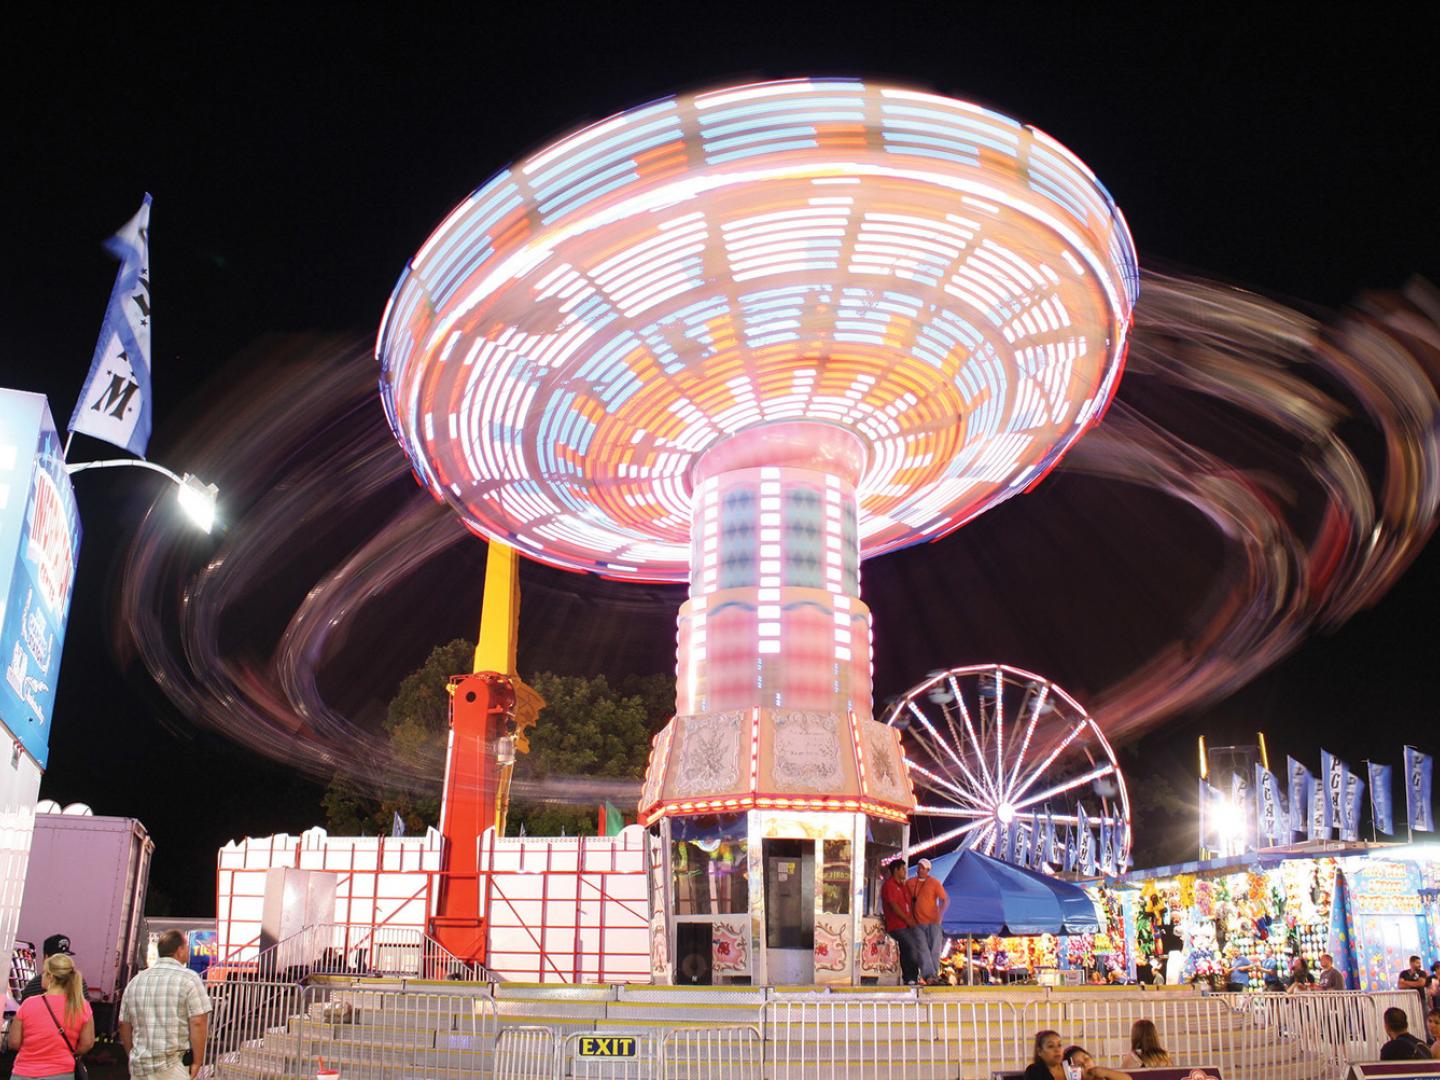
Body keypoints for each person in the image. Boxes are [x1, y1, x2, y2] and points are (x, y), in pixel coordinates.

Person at [119, 929, 212, 1079]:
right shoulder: (189, 979)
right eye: (187, 946)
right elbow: (198, 1022)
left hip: (139, 1066)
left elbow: (124, 1024)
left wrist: (133, 1054)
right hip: (172, 1065)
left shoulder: (136, 981)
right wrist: (198, 1061)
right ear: (179, 950)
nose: (189, 949)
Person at [7, 953, 95, 1080]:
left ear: (51, 977)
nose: (41, 976)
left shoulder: (28, 1004)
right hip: (61, 1072)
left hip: (24, 1072)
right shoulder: (81, 1006)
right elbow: (87, 1043)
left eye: (44, 972)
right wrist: (68, 1052)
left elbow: (14, 1042)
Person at [906, 857, 949, 983]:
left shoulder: (934, 883)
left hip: (933, 922)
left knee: (934, 949)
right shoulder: (910, 883)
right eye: (919, 866)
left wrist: (940, 916)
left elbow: (945, 899)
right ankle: (929, 975)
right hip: (917, 922)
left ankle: (933, 975)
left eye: (923, 868)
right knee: (923, 948)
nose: (920, 869)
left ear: (928, 870)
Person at [880, 859, 921, 985]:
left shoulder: (903, 886)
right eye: (903, 869)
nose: (905, 871)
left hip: (907, 924)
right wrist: (907, 919)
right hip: (897, 925)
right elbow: (893, 905)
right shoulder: (889, 885)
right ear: (896, 870)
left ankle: (912, 977)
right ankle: (910, 977)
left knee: (911, 947)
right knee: (910, 946)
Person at [17, 934, 86, 1003]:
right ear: (46, 958)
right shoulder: (78, 982)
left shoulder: (32, 986)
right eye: (57, 958)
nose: (62, 961)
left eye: (65, 957)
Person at [1063, 1045, 1133, 1080]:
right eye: (1078, 1064)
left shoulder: (1104, 1076)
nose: (1085, 1064)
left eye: (1086, 1058)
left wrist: (1107, 1072)